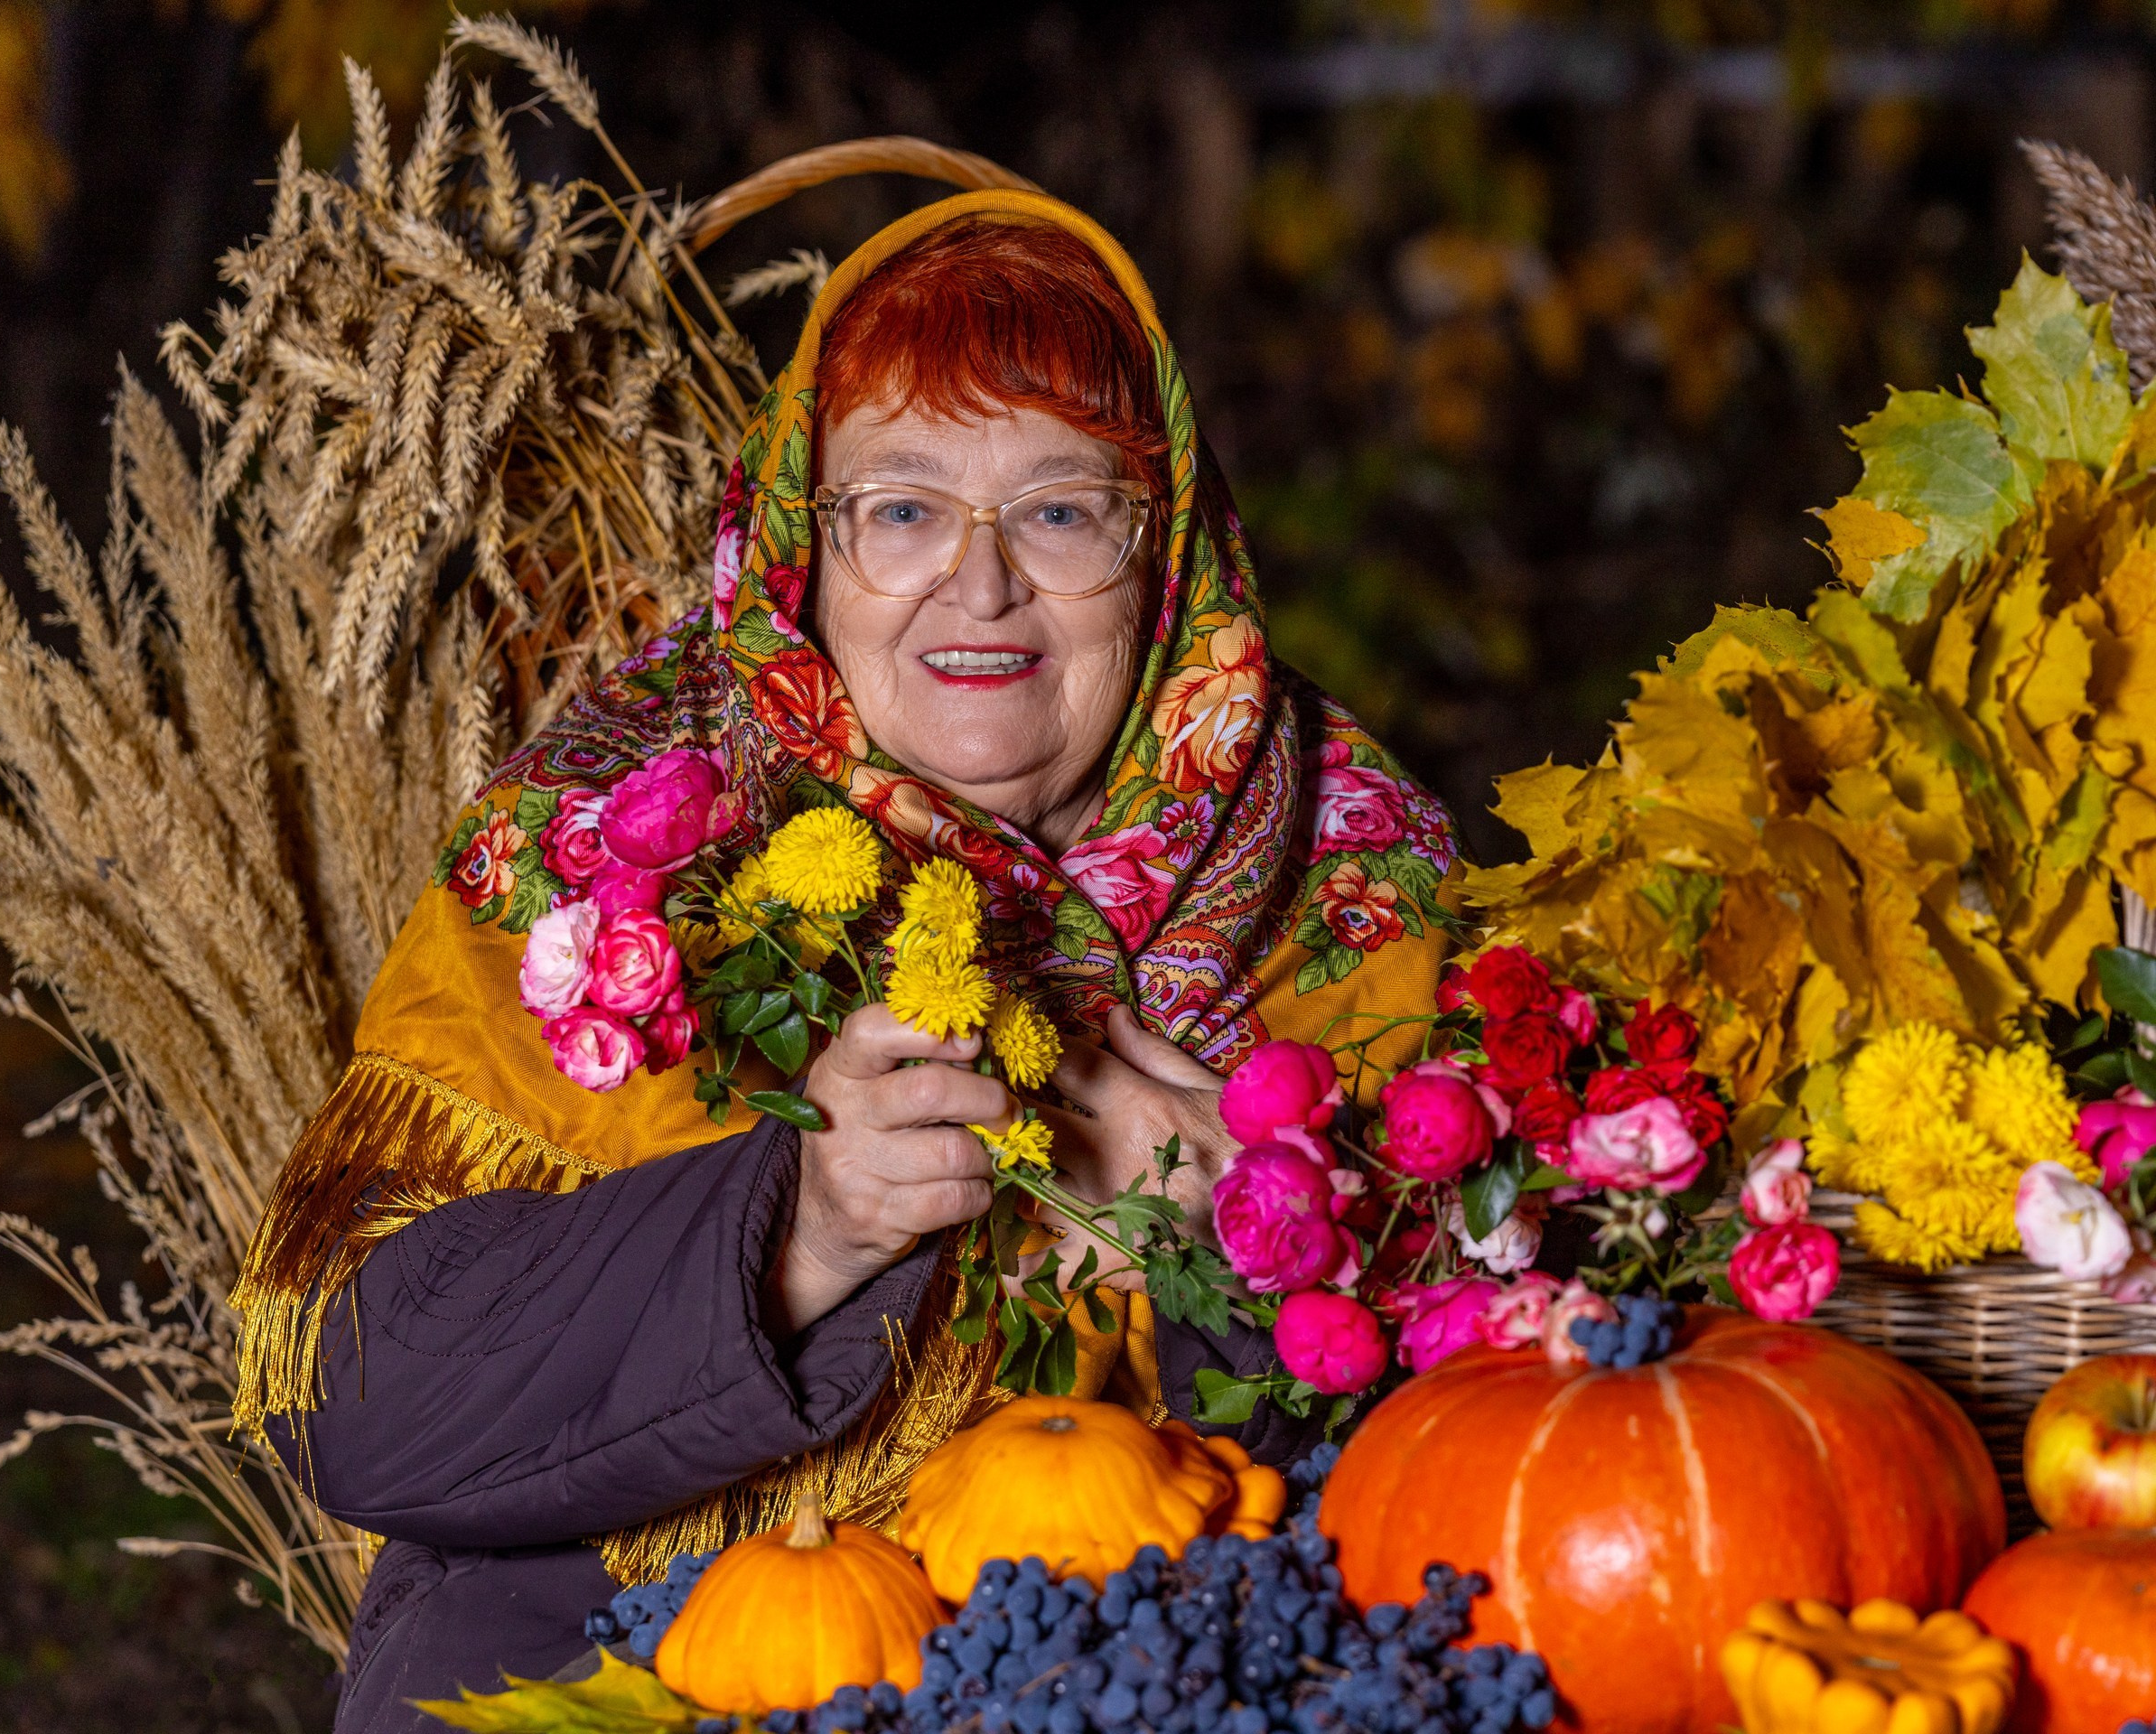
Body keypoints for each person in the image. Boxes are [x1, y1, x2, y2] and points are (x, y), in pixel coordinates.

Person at [229, 191, 1461, 1729]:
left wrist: (1224, 1252)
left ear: (1173, 559)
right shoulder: (613, 847)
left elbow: (1467, 1513)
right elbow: (366, 1411)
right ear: (801, 545)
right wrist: (799, 1227)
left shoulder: (1350, 883)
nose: (984, 582)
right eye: (902, 507)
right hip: (631, 1662)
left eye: (1066, 510)